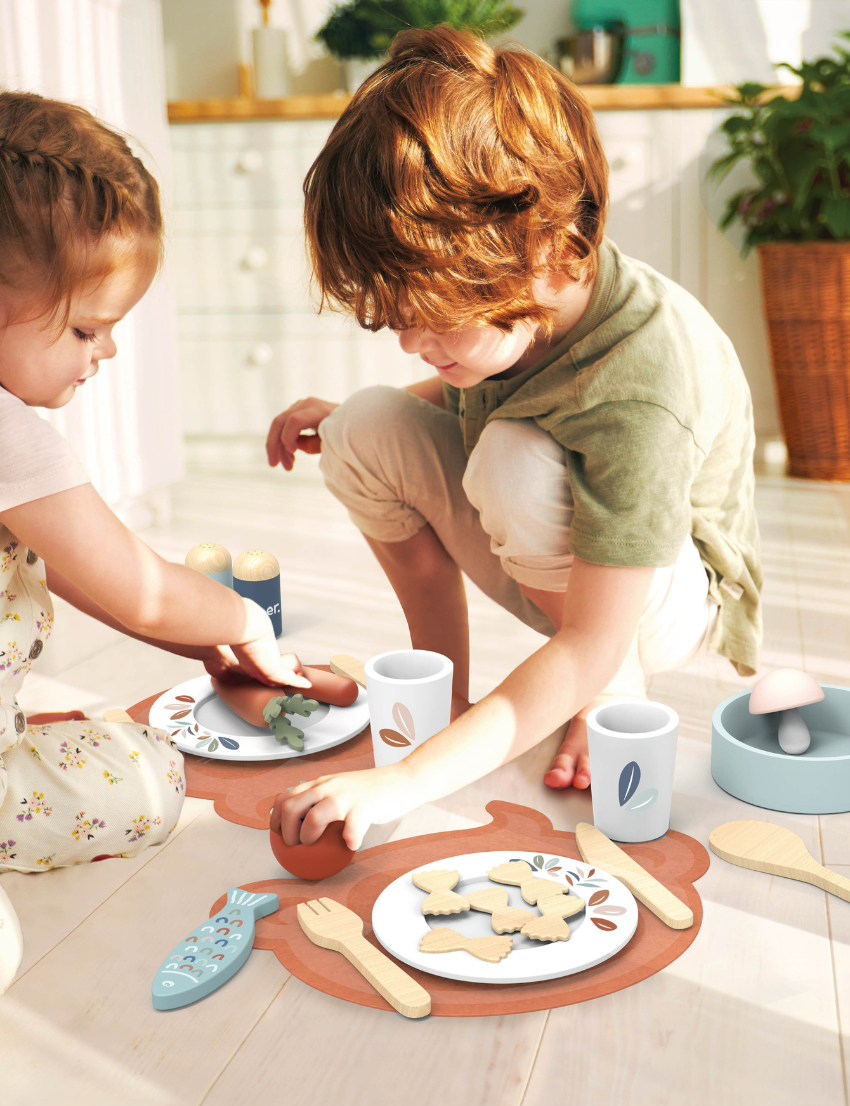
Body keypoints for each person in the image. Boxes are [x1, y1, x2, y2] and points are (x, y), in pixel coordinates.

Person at [267, 27, 762, 852]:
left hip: (664, 595)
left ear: (545, 249)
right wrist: (364, 407)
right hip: (572, 548)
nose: (407, 341)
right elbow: (504, 379)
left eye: (428, 317)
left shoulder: (639, 380)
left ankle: (610, 697)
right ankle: (444, 699)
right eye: (397, 318)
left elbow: (589, 636)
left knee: (514, 461)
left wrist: (403, 784)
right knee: (363, 427)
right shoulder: (529, 291)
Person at [0, 91, 310, 884]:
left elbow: (72, 568)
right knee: (150, 783)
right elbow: (139, 588)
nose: (103, 352)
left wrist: (204, 642)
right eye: (84, 329)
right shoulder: (13, 439)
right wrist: (242, 616)